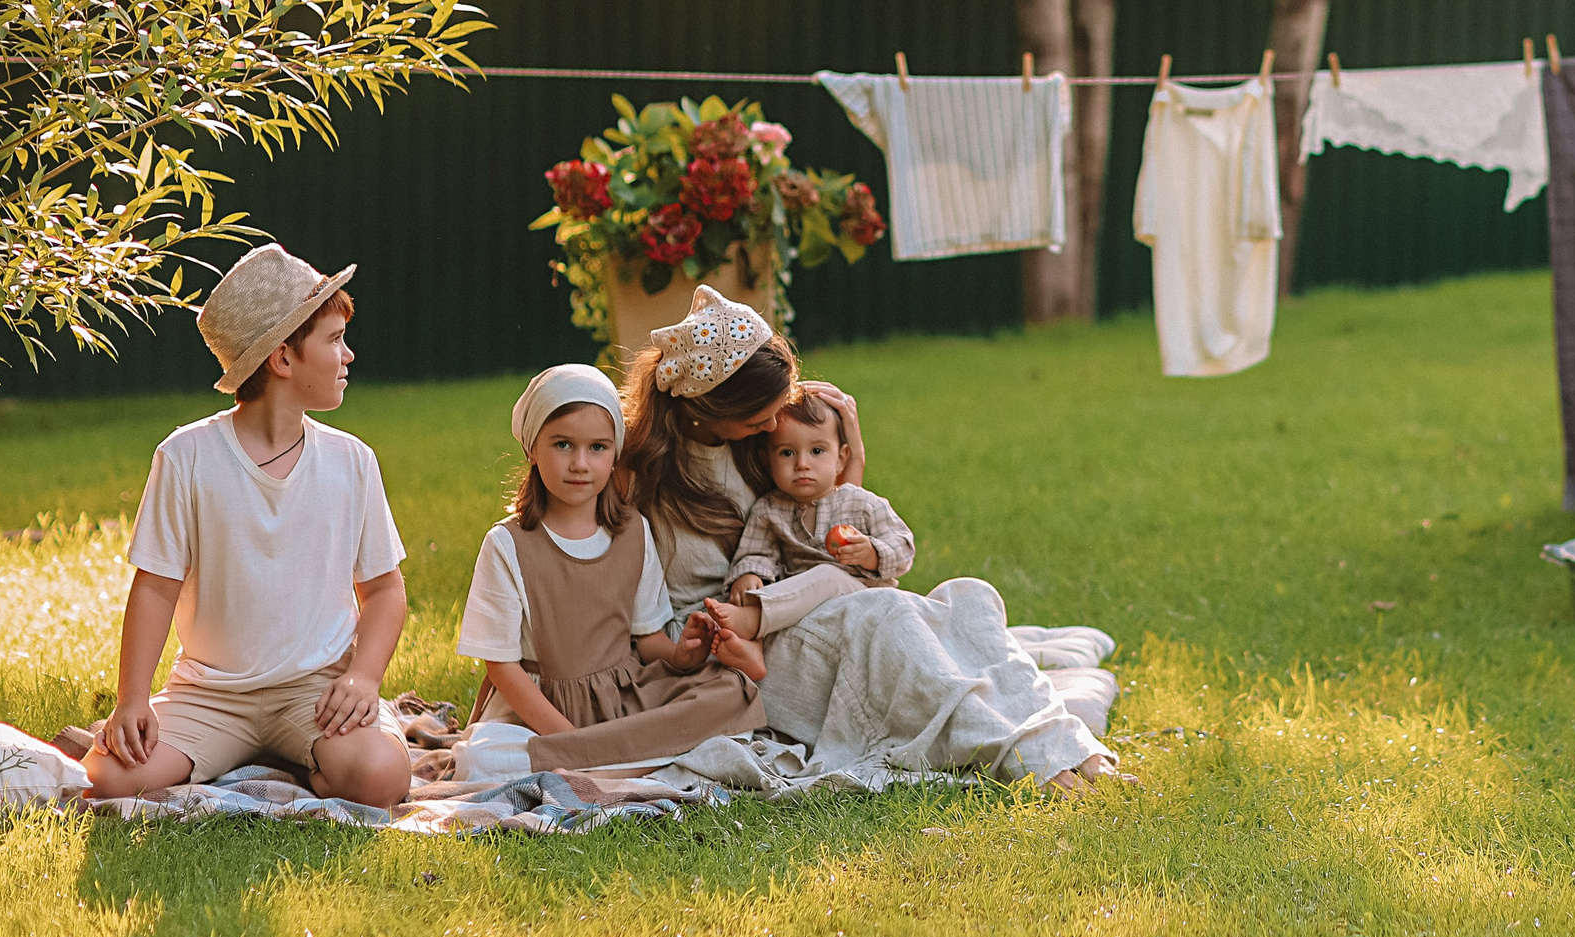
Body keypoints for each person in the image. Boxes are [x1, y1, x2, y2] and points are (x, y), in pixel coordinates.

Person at [616, 285, 1118, 792]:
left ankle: (1065, 741)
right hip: (731, 639)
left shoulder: (753, 446)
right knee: (896, 622)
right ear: (706, 406)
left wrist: (850, 462)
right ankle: (1029, 756)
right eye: (758, 418)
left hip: (809, 603)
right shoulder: (639, 477)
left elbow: (815, 533)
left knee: (966, 602)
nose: (774, 426)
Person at [82, 244, 413, 807]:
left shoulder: (352, 461)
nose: (349, 355)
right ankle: (272, 755)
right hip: (211, 696)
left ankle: (301, 753)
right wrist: (133, 698)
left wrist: (362, 679)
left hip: (316, 692)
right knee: (106, 779)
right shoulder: (186, 456)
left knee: (382, 777)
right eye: (334, 340)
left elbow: (384, 592)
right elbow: (155, 587)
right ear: (283, 359)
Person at [453, 365, 764, 774]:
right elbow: (502, 668)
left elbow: (647, 639)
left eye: (598, 448)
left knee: (730, 692)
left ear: (615, 452)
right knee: (478, 759)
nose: (581, 463)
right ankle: (614, 760)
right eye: (563, 445)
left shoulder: (633, 530)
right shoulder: (508, 544)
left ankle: (600, 759)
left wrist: (681, 655)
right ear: (531, 449)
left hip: (622, 698)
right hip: (537, 712)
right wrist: (568, 741)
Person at [700, 392, 917, 681]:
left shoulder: (862, 503)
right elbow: (756, 551)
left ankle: (753, 620)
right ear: (768, 460)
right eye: (787, 453)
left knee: (829, 575)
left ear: (841, 459)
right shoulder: (770, 509)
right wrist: (750, 574)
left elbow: (903, 546)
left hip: (861, 599)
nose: (802, 464)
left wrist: (872, 553)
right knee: (769, 594)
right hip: (805, 611)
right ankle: (753, 650)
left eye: (817, 451)